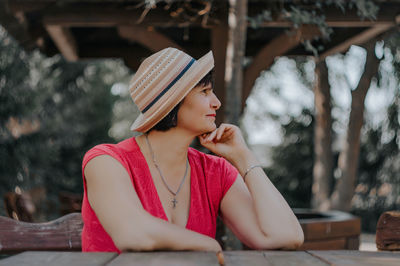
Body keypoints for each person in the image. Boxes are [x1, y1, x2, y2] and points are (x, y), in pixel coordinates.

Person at [81, 47, 304, 253]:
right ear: (173, 101)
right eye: (205, 91)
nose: (216, 102)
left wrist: (244, 158)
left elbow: (286, 237)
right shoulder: (106, 162)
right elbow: (134, 234)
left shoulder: (215, 172)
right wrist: (211, 245)